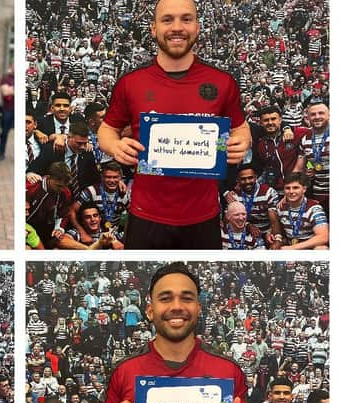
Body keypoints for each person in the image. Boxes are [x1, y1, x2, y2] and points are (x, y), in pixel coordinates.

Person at [96, 0, 251, 249]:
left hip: (203, 216)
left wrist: (242, 141)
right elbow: (107, 129)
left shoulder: (223, 82)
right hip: (146, 215)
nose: (177, 27)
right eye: (167, 19)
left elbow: (241, 128)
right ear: (153, 28)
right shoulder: (131, 82)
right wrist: (114, 147)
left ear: (197, 27)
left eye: (186, 19)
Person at [86, 262, 256, 403]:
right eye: (166, 299)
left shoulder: (228, 371)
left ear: (198, 309)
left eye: (186, 298)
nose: (176, 306)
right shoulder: (124, 370)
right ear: (150, 311)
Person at [224, 164, 281, 247]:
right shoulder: (234, 196)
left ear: (256, 177)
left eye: (250, 178)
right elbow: (228, 219)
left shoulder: (269, 193)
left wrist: (275, 237)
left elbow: (275, 219)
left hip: (268, 232)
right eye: (243, 179)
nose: (247, 182)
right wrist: (248, 226)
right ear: (237, 180)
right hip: (244, 232)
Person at [254, 106, 305, 195]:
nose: (270, 123)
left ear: (280, 120)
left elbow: (310, 152)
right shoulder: (260, 143)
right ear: (261, 123)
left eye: (273, 119)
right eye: (266, 120)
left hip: (296, 188)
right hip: (274, 190)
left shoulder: (296, 134)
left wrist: (310, 166)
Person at [275, 173, 328, 249]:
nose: (291, 191)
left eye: (295, 188)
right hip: (289, 248)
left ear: (304, 189)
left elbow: (323, 237)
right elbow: (278, 231)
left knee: (322, 248)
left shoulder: (314, 209)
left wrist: (293, 248)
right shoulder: (280, 208)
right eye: (287, 188)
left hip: (309, 248)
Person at [298, 103, 329, 215]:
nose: (317, 117)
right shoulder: (305, 139)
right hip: (318, 193)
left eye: (321, 113)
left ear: (329, 115)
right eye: (313, 114)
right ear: (308, 118)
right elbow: (306, 162)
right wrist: (310, 167)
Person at [57, 203, 122, 249]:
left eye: (95, 215)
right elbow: (61, 241)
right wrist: (89, 249)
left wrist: (115, 241)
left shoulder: (109, 231)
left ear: (100, 218)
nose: (93, 219)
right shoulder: (77, 233)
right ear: (82, 221)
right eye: (88, 217)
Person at [0, 63, 14, 161]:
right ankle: (1, 153)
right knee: (4, 132)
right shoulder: (6, 78)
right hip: (7, 109)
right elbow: (5, 92)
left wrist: (11, 89)